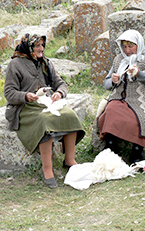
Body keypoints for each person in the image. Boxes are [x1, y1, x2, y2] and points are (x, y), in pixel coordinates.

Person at [4, 34, 85, 188]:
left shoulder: (46, 63)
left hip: (46, 103)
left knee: (70, 115)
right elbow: (9, 92)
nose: (41, 49)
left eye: (42, 45)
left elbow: (61, 83)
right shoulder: (15, 65)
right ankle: (47, 169)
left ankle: (69, 160)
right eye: (37, 46)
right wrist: (26, 96)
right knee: (44, 122)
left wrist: (59, 93)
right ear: (28, 47)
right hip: (25, 107)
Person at [97, 29, 145, 164]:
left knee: (139, 117)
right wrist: (113, 81)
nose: (127, 50)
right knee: (110, 111)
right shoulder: (119, 59)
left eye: (131, 46)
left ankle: (137, 151)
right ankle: (111, 147)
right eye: (125, 47)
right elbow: (106, 83)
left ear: (138, 44)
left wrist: (139, 74)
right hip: (120, 98)